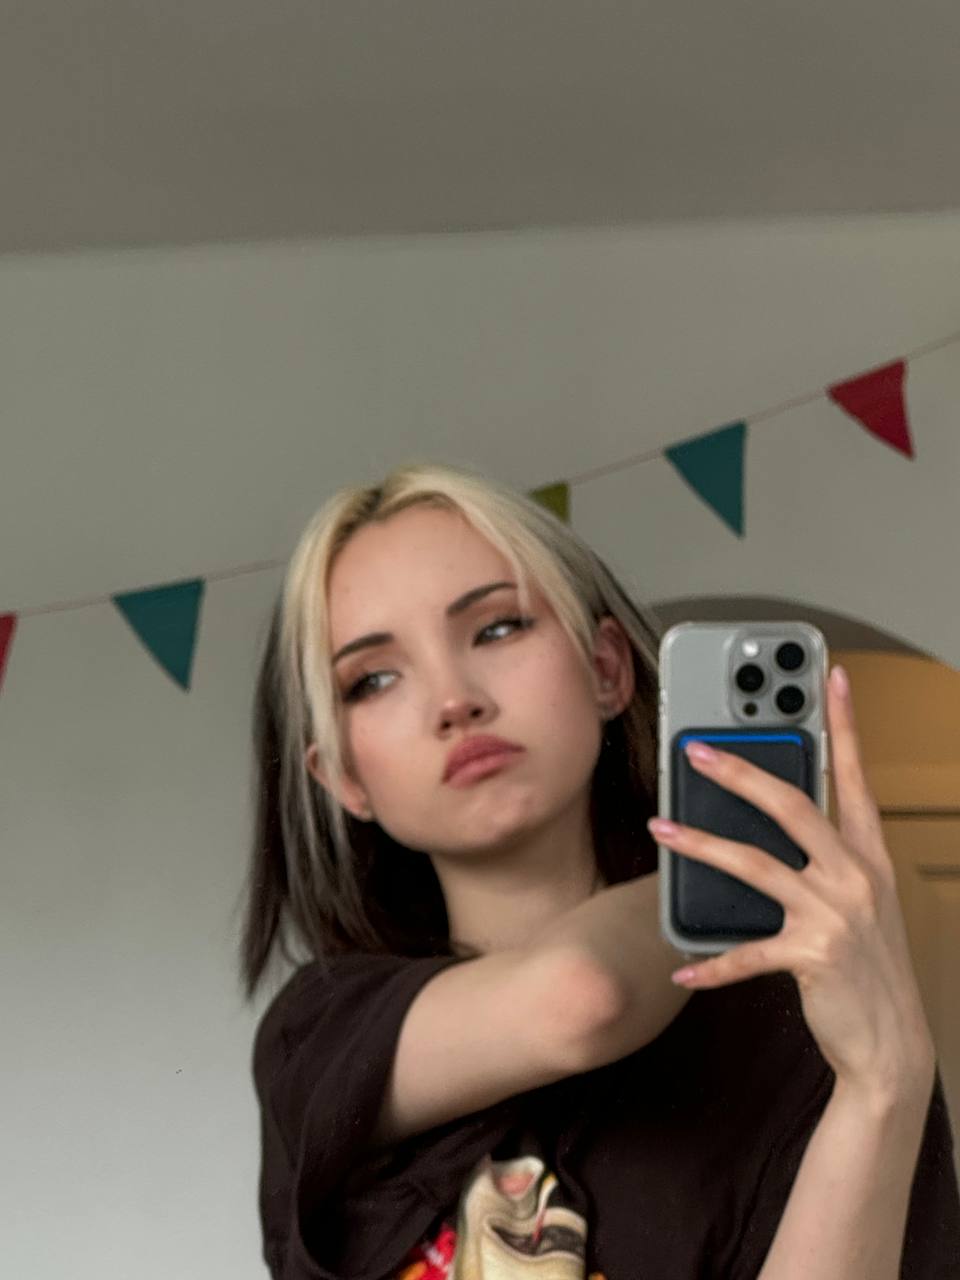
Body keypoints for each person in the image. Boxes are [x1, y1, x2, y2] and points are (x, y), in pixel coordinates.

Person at [238, 460, 959, 1279]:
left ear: (607, 670)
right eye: (373, 679)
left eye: (498, 628)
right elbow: (583, 997)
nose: (453, 699)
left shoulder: (792, 1030)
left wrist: (884, 1086)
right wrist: (733, 874)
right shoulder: (319, 1036)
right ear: (344, 777)